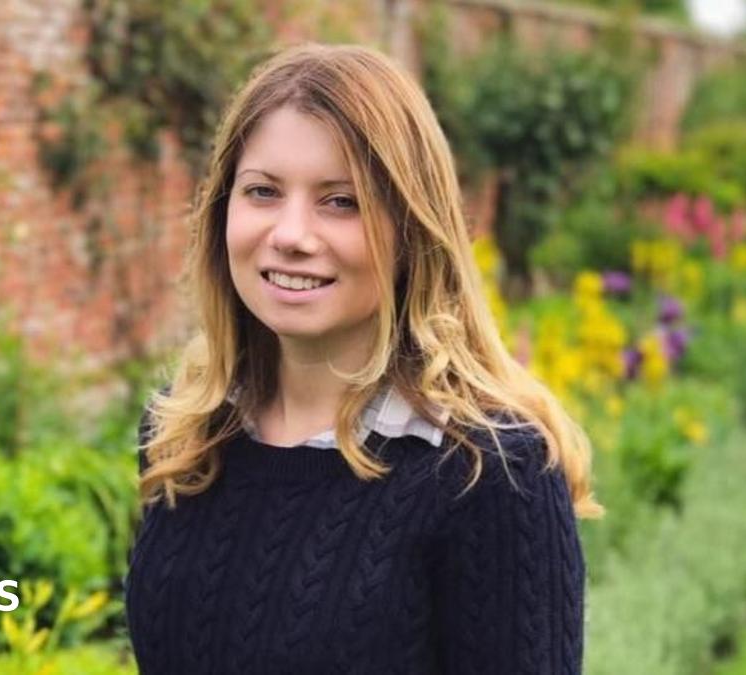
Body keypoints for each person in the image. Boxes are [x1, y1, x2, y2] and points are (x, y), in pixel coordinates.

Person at [122, 42, 603, 675]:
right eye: (263, 192)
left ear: (413, 227)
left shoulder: (489, 474)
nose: (291, 235)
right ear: (222, 213)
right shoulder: (184, 436)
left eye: (340, 200)